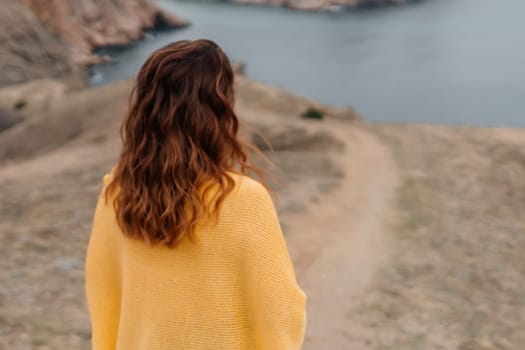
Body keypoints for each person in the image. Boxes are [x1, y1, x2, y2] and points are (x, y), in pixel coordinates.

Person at [84, 39, 307, 350]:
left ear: (145, 109)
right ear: (220, 110)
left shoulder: (116, 192)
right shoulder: (244, 199)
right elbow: (280, 310)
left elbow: (103, 297)